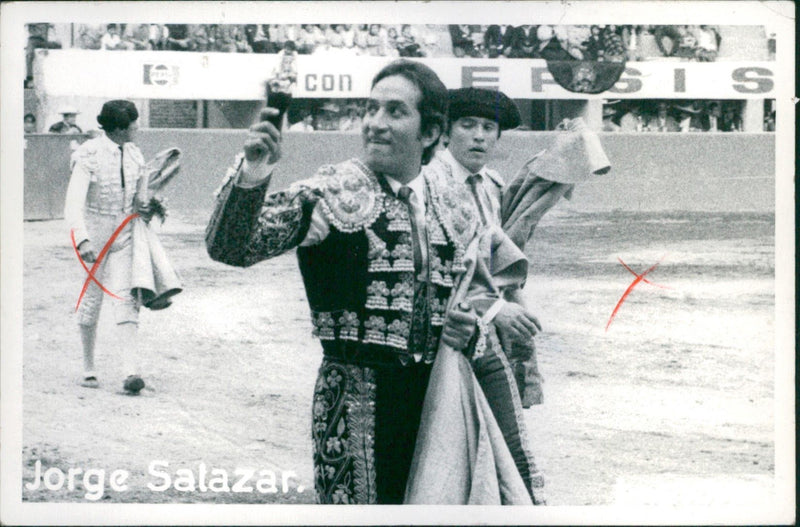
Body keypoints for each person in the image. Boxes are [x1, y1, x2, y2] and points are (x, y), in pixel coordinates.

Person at [205, 59, 481, 504]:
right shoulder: (329, 193)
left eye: (395, 111)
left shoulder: (456, 207)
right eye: (371, 109)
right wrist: (253, 172)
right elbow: (232, 248)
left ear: (429, 133)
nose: (375, 123)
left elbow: (477, 302)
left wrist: (472, 328)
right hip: (353, 402)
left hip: (436, 402)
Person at [424, 87, 547, 502]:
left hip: (482, 337)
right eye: (468, 125)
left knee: (499, 445)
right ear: (445, 132)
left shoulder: (490, 186)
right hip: (438, 340)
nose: (479, 136)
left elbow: (492, 258)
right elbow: (443, 267)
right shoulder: (428, 182)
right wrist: (497, 309)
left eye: (488, 128)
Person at [64, 100, 153, 394]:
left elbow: (140, 202)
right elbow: (73, 203)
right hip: (96, 231)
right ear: (119, 127)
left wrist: (149, 208)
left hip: (123, 232)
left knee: (125, 299)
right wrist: (82, 238)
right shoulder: (88, 154)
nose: (137, 128)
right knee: (92, 299)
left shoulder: (136, 155)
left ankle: (130, 371)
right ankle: (88, 368)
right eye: (133, 124)